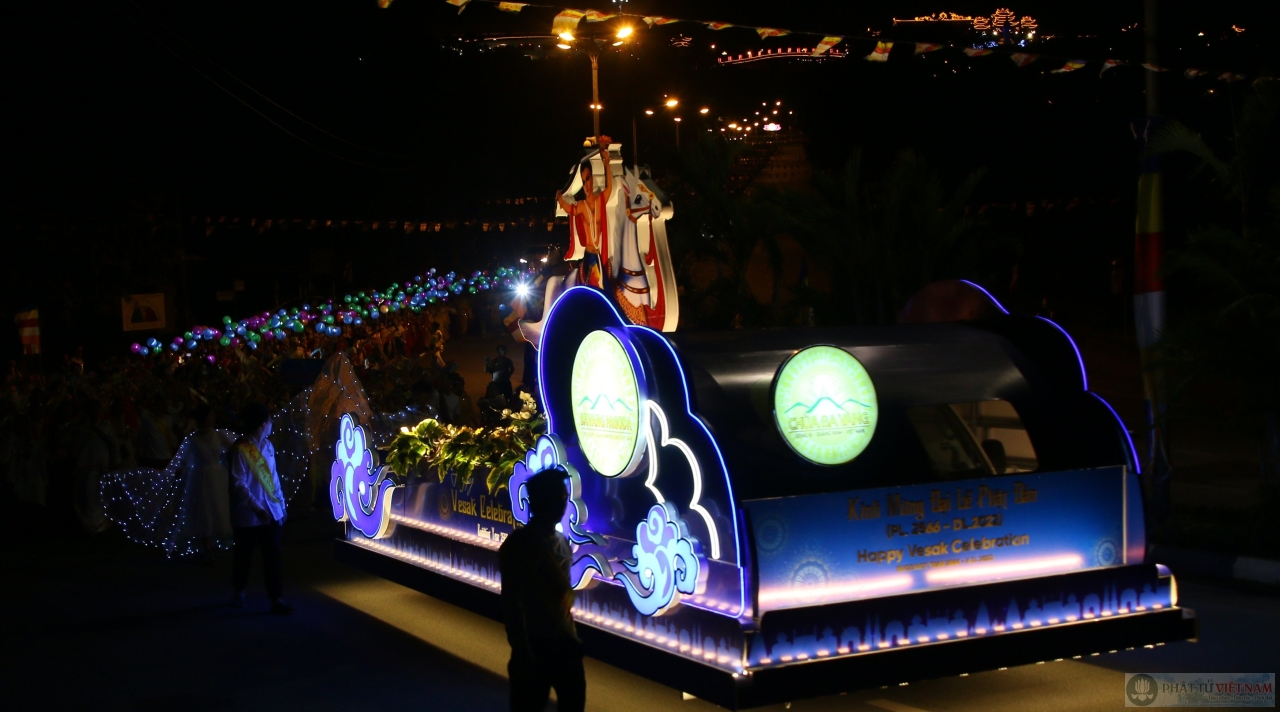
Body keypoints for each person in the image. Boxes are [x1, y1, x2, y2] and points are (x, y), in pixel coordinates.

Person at [498, 468, 584, 712]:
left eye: (565, 497)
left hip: (563, 643)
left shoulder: (559, 542)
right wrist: (523, 650)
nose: (564, 503)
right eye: (560, 497)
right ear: (542, 501)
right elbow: (512, 602)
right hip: (537, 646)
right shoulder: (521, 545)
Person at [229, 403, 292, 614]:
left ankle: (276, 597)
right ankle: (239, 591)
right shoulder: (241, 448)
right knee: (243, 556)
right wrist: (256, 508)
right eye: (269, 420)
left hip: (270, 511)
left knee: (273, 557)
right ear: (263, 424)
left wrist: (281, 506)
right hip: (248, 515)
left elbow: (274, 479)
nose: (271, 423)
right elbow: (239, 483)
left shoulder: (268, 446)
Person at [556, 142, 613, 289]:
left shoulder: (600, 200)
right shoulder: (581, 205)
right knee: (594, 286)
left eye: (587, 178)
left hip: (599, 254)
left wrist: (607, 164)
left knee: (608, 285)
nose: (586, 185)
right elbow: (570, 209)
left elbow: (610, 187)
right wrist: (561, 200)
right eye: (583, 181)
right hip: (589, 255)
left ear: (592, 178)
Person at [181, 404, 234, 559]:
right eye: (211, 415)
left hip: (217, 474)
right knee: (205, 508)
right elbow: (184, 459)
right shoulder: (192, 439)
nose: (214, 418)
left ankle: (216, 540)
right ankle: (207, 544)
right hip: (201, 476)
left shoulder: (218, 435)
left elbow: (234, 448)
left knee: (218, 504)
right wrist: (181, 469)